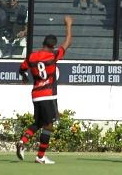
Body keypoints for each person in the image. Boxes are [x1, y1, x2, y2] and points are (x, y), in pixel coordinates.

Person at [16, 15, 73, 165]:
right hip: (47, 95)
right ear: (53, 46)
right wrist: (68, 25)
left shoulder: (32, 56)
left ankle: (23, 141)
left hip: (35, 95)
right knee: (48, 126)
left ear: (43, 43)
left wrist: (24, 77)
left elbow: (21, 69)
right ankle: (40, 156)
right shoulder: (53, 56)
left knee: (39, 122)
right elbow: (67, 43)